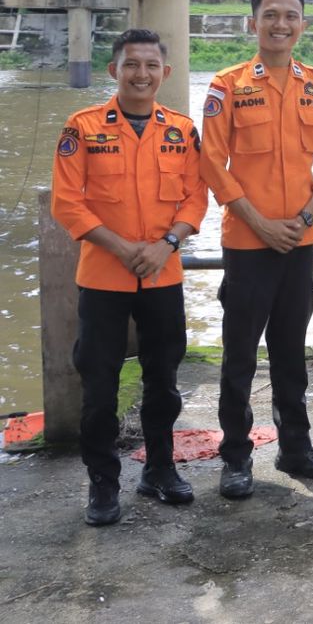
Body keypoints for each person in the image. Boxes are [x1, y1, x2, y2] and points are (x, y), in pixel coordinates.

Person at [52, 29, 208, 525]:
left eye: (151, 65)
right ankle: (102, 484)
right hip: (103, 277)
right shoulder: (83, 126)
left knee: (163, 382)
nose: (141, 74)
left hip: (163, 274)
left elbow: (195, 197)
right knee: (99, 386)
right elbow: (67, 201)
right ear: (112, 70)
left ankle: (159, 470)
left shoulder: (180, 130)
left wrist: (166, 244)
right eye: (131, 64)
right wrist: (121, 247)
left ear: (165, 72)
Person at [200, 0, 313, 498]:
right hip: (247, 242)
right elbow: (212, 163)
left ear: (302, 25)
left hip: (299, 240)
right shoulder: (228, 85)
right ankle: (236, 458)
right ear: (252, 23)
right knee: (239, 355)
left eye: (291, 16)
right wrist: (259, 222)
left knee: (291, 351)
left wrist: (306, 215)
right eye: (270, 16)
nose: (280, 24)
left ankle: (296, 449)